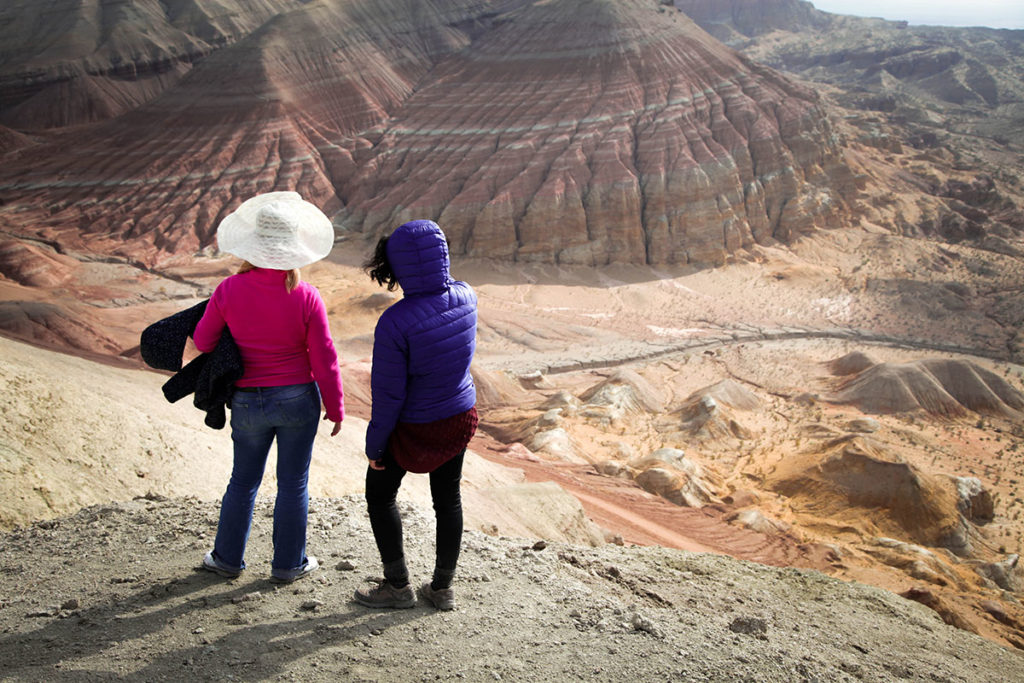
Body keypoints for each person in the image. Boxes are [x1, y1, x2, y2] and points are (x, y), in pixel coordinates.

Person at [194, 191, 345, 583]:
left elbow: (204, 341)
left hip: (248, 401)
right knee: (293, 483)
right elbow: (324, 356)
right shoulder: (307, 296)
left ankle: (226, 559)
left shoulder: (229, 290)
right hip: (299, 399)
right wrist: (336, 406)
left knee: (243, 480)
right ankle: (288, 565)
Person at [354, 219, 478, 611]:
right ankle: (442, 590)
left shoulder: (395, 322)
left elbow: (389, 395)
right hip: (458, 416)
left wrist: (375, 446)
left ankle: (397, 587)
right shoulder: (467, 295)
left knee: (380, 495)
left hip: (414, 426)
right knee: (448, 500)